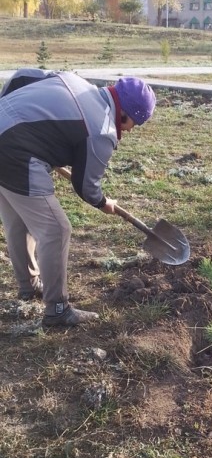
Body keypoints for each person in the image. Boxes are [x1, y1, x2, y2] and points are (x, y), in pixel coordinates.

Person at [0, 68, 156, 327]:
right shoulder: (102, 130)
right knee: (56, 230)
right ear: (124, 113)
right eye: (132, 125)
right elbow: (86, 185)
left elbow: (21, 77)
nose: (129, 131)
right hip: (15, 154)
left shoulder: (73, 80)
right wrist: (104, 202)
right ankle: (58, 310)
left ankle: (28, 287)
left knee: (20, 219)